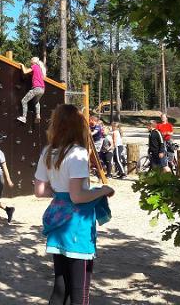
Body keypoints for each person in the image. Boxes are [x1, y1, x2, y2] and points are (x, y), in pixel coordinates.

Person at [34, 104, 115, 304]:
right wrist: (103, 190)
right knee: (80, 290)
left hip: (57, 223)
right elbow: (78, 196)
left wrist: (59, 193)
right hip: (77, 226)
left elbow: (40, 191)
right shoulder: (78, 153)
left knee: (60, 286)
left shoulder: (47, 152)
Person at [17, 57, 46, 124]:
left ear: (34, 61)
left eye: (31, 60)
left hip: (36, 88)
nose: (30, 61)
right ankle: (38, 115)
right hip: (42, 89)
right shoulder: (40, 69)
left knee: (24, 101)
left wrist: (22, 65)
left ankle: (24, 117)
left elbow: (25, 72)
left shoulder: (34, 66)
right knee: (36, 102)